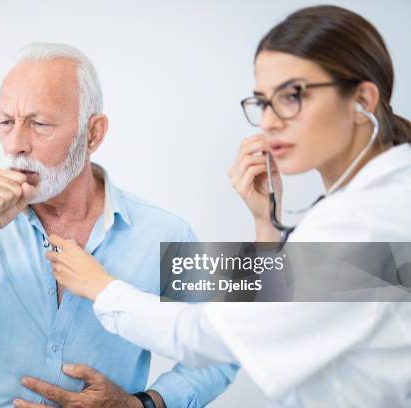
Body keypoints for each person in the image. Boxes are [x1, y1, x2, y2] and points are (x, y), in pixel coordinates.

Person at [45, 6, 411, 407]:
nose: (269, 121)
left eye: (292, 96)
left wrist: (102, 288)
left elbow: (210, 335)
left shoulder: (366, 222)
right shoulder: (371, 203)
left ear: (362, 100)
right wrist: (265, 225)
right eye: (263, 101)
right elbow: (291, 301)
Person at [0, 42, 237, 408]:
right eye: (6, 122)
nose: (16, 144)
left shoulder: (165, 233)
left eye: (39, 124)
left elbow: (228, 343)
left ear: (93, 134)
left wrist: (142, 405)